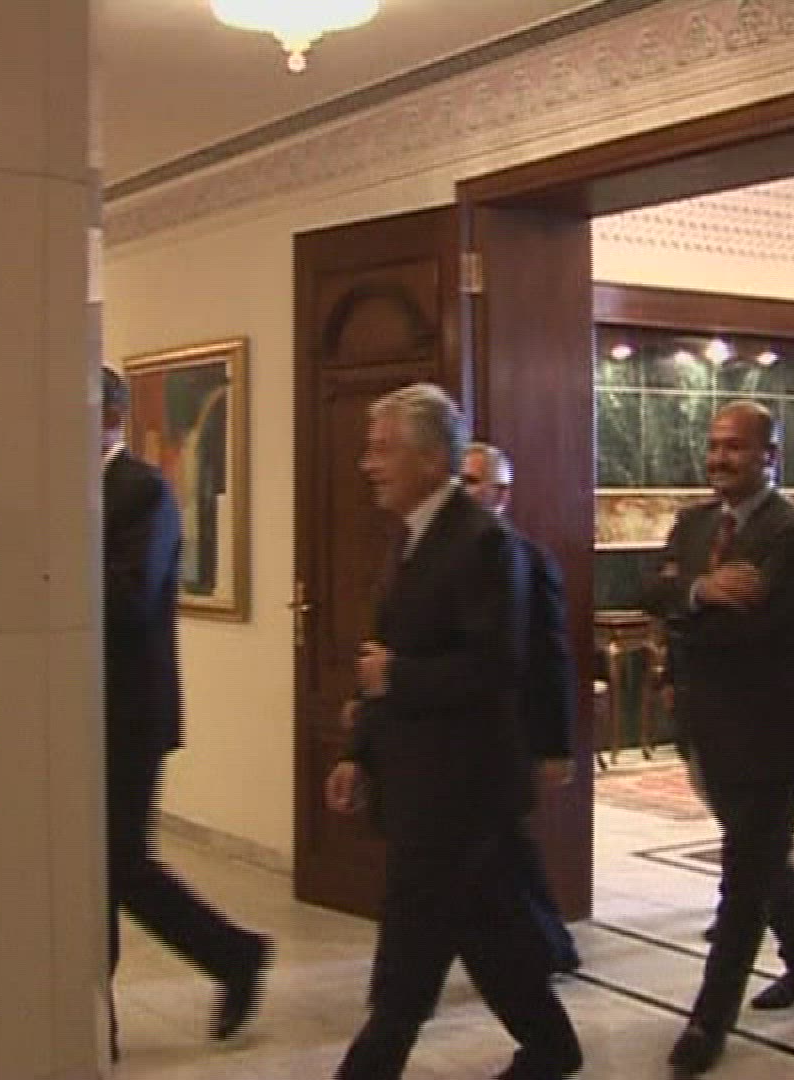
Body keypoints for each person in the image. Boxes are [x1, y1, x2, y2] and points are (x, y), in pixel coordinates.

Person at [326, 384, 582, 1080]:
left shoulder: (483, 541)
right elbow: (386, 654)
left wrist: (398, 678)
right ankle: (554, 1051)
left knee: (408, 959)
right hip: (421, 776)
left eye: (382, 450)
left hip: (459, 788)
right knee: (488, 929)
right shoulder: (413, 536)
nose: (367, 465)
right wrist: (359, 752)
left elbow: (497, 665)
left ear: (433, 460)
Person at [641, 400, 794, 1077]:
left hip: (771, 734)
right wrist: (702, 591)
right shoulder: (694, 524)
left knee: (743, 881)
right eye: (715, 445)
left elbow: (764, 630)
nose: (719, 457)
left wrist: (686, 605)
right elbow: (650, 590)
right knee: (761, 858)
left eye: (735, 447)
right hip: (707, 729)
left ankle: (707, 1023)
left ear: (769, 456)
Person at [101, 367, 272, 1059]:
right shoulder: (78, 491)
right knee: (104, 867)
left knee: (116, 864)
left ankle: (231, 956)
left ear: (107, 417)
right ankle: (227, 958)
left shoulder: (143, 491)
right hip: (85, 714)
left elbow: (130, 598)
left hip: (131, 712)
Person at [460, 441, 581, 975]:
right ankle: (548, 947)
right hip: (459, 732)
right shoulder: (442, 555)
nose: (460, 493)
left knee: (502, 847)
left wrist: (555, 745)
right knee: (503, 849)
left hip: (507, 735)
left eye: (471, 482)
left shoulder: (529, 560)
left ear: (500, 494)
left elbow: (551, 658)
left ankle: (547, 948)